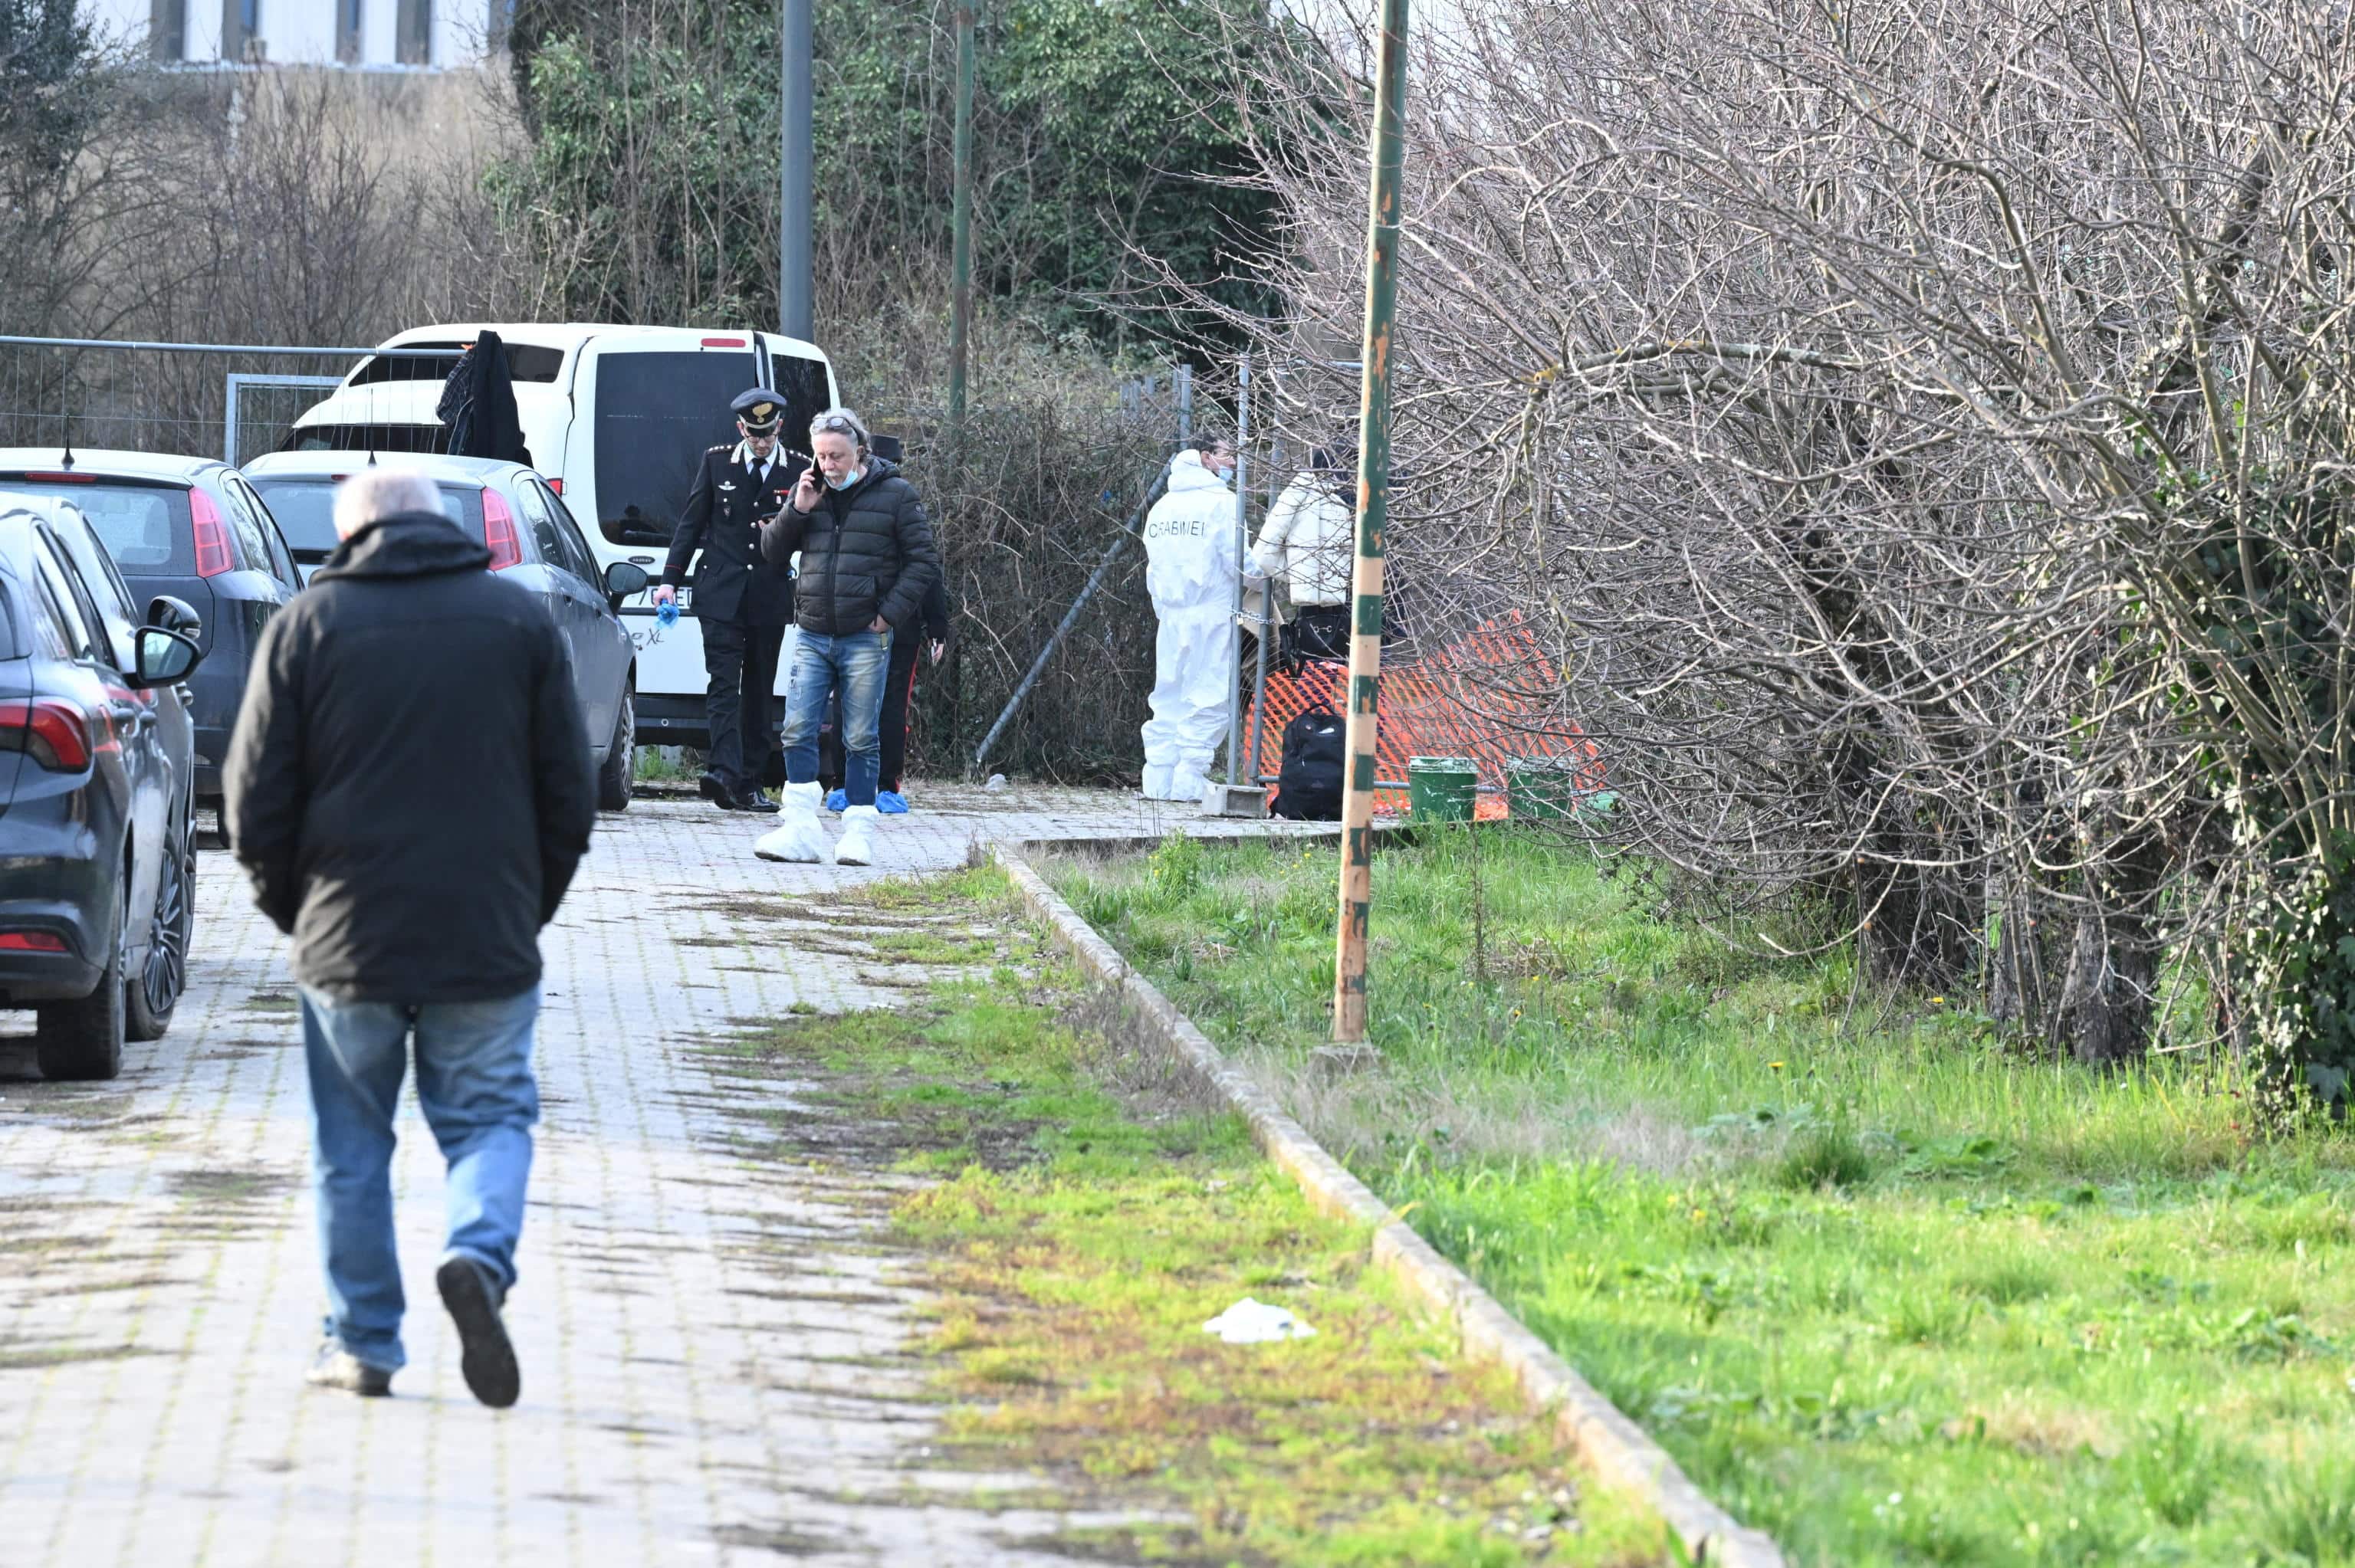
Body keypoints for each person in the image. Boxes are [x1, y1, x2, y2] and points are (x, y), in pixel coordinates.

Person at [223, 468, 595, 1408]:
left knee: (350, 1144)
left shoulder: (307, 626)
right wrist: (529, 904)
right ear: (441, 526)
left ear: (349, 538)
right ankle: (475, 1252)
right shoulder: (517, 624)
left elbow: (253, 805)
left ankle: (364, 1342)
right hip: (487, 928)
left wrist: (295, 914)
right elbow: (569, 792)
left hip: (346, 937)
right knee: (492, 1119)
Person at [754, 407, 941, 866]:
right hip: (813, 632)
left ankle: (858, 832)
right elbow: (771, 553)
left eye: (836, 455)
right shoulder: (809, 493)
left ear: (860, 451)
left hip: (864, 635)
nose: (828, 465)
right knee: (797, 729)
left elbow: (924, 562)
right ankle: (798, 828)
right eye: (821, 455)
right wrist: (797, 509)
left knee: (861, 736)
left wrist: (888, 616)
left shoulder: (896, 495)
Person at [652, 388, 803, 814]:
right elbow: (691, 524)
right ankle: (723, 772)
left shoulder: (799, 470)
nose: (762, 441)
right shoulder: (717, 462)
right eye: (754, 434)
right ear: (741, 429)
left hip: (768, 597)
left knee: (758, 689)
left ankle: (750, 781)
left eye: (769, 433)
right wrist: (668, 580)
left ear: (780, 427)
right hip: (720, 594)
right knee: (723, 685)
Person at [1139, 438, 1239, 802]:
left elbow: (1154, 570)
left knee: (1169, 695)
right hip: (1212, 612)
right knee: (1209, 694)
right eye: (1229, 455)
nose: (1233, 462)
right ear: (1207, 458)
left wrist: (1163, 610)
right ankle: (1188, 779)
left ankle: (1157, 778)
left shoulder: (1162, 508)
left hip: (1171, 615)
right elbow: (1240, 563)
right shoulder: (1224, 504)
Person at [820, 572, 949, 813]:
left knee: (850, 701)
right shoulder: (912, 534)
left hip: (854, 620)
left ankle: (846, 785)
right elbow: (925, 565)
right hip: (897, 622)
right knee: (891, 705)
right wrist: (937, 623)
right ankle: (885, 787)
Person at [1254, 447, 1355, 663]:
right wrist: (1301, 576)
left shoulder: (1294, 496)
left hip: (1312, 608)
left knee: (1314, 684)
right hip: (1349, 601)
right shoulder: (1347, 495)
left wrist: (1300, 575)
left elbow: (1264, 554)